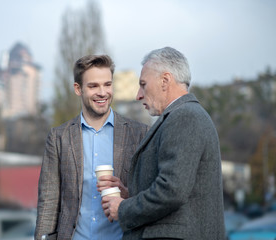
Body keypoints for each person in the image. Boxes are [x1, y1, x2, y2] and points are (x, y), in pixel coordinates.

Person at [102, 47, 225, 240]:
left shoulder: (185, 116)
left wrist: (124, 208)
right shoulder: (182, 116)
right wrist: (131, 195)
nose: (138, 95)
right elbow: (177, 187)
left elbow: (172, 190)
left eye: (143, 84)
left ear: (165, 81)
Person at [35, 54, 149, 240]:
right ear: (78, 89)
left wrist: (128, 195)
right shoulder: (59, 138)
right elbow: (48, 202)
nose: (102, 92)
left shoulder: (140, 134)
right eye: (93, 86)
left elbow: (152, 196)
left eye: (107, 84)